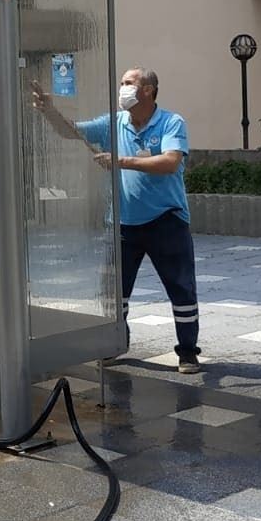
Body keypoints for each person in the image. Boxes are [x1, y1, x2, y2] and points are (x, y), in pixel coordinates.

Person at [32, 68, 201, 374]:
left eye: (129, 83)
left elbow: (170, 161)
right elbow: (72, 131)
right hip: (123, 224)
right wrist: (50, 111)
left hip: (166, 221)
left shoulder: (170, 122)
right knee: (114, 291)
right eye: (122, 83)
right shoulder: (115, 122)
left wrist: (121, 161)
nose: (122, 88)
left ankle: (188, 352)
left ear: (148, 90)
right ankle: (114, 343)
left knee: (181, 288)